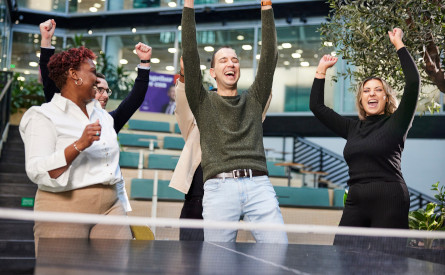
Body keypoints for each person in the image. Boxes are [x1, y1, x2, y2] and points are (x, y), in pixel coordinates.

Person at [181, 0, 287, 243]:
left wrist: (267, 8)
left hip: (259, 185)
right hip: (219, 188)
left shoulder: (255, 99)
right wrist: (188, 6)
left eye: (235, 60)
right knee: (217, 261)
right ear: (212, 72)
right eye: (223, 61)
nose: (231, 63)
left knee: (278, 248)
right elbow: (189, 51)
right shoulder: (201, 101)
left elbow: (269, 56)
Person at [20, 46, 133, 254]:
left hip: (110, 208)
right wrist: (79, 145)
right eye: (92, 72)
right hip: (63, 208)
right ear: (74, 75)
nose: (98, 81)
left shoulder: (103, 117)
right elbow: (37, 169)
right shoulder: (43, 115)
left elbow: (110, 167)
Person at [309, 28, 420, 229]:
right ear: (361, 98)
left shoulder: (397, 122)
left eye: (378, 90)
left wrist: (398, 44)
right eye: (367, 91)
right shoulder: (352, 128)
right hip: (356, 201)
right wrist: (321, 70)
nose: (372, 94)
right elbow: (317, 107)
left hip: (390, 199)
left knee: (387, 260)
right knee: (344, 256)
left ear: (386, 97)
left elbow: (413, 83)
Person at [170, 58, 273, 241]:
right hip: (198, 193)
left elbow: (262, 99)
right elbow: (183, 102)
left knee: (222, 256)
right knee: (189, 256)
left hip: (232, 191)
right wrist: (185, 75)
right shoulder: (196, 119)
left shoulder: (246, 115)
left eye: (234, 60)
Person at [39, 19, 152, 133]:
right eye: (100, 89)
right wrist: (46, 40)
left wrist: (145, 61)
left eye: (107, 91)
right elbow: (48, 79)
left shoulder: (109, 121)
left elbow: (136, 98)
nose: (105, 96)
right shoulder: (64, 112)